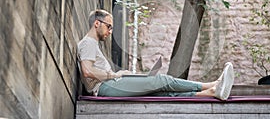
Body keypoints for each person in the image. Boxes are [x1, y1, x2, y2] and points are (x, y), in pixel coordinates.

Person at [77, 9, 234, 100]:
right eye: (108, 27)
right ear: (97, 23)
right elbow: (87, 71)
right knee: (161, 80)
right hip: (105, 87)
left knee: (162, 92)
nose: (110, 32)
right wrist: (114, 75)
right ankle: (212, 84)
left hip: (109, 85)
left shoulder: (92, 44)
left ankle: (210, 93)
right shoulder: (88, 43)